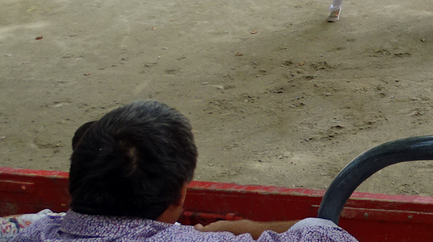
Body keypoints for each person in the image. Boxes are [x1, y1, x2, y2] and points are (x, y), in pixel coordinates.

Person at [13, 100, 359, 242]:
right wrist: (245, 230)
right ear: (180, 194)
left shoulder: (24, 230)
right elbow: (323, 232)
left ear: (74, 185)